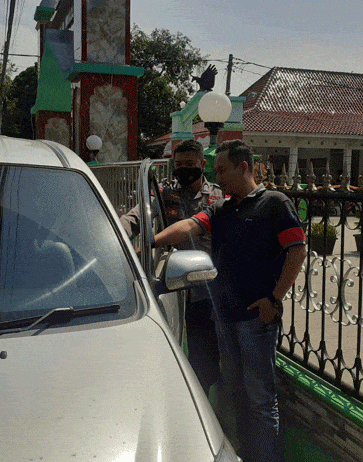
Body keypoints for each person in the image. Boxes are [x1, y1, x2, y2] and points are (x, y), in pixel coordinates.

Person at [151, 139, 307, 462]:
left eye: (222, 170)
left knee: (261, 400)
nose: (217, 176)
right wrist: (151, 241)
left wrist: (274, 299)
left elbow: (298, 250)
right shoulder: (222, 209)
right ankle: (247, 454)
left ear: (244, 167)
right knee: (236, 393)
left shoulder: (274, 203)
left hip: (256, 321)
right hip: (226, 319)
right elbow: (188, 226)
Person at [120, 139, 223, 397]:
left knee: (204, 354)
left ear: (203, 164)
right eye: (179, 165)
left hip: (206, 288)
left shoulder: (218, 197)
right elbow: (136, 216)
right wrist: (117, 231)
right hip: (171, 286)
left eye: (190, 164)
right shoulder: (164, 193)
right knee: (169, 344)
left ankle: (201, 398)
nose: (184, 169)